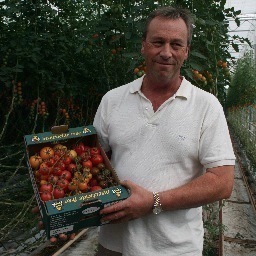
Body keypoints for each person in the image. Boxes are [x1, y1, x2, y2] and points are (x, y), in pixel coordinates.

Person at [93, 6, 236, 256]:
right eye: (158, 42)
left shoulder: (206, 106)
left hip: (175, 248)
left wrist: (153, 202)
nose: (166, 53)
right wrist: (65, 212)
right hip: (114, 245)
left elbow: (222, 183)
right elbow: (94, 165)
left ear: (186, 51)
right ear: (143, 46)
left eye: (176, 44)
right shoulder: (112, 100)